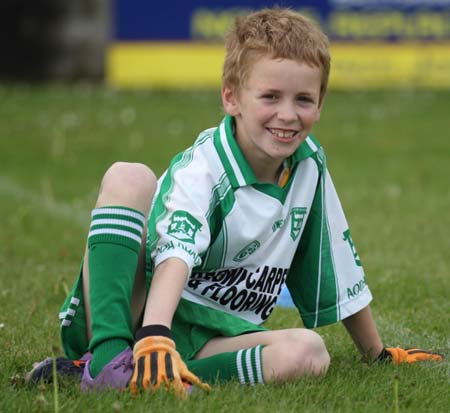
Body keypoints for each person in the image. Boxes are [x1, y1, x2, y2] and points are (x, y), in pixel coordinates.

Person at [27, 8, 443, 396]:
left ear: (320, 104)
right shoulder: (206, 166)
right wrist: (155, 331)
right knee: (128, 177)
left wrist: (377, 353)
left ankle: (153, 378)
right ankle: (108, 361)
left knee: (309, 352)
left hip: (212, 336)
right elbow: (176, 251)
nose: (287, 114)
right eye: (270, 96)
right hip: (143, 314)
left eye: (303, 100)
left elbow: (335, 263)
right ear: (232, 98)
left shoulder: (310, 165)